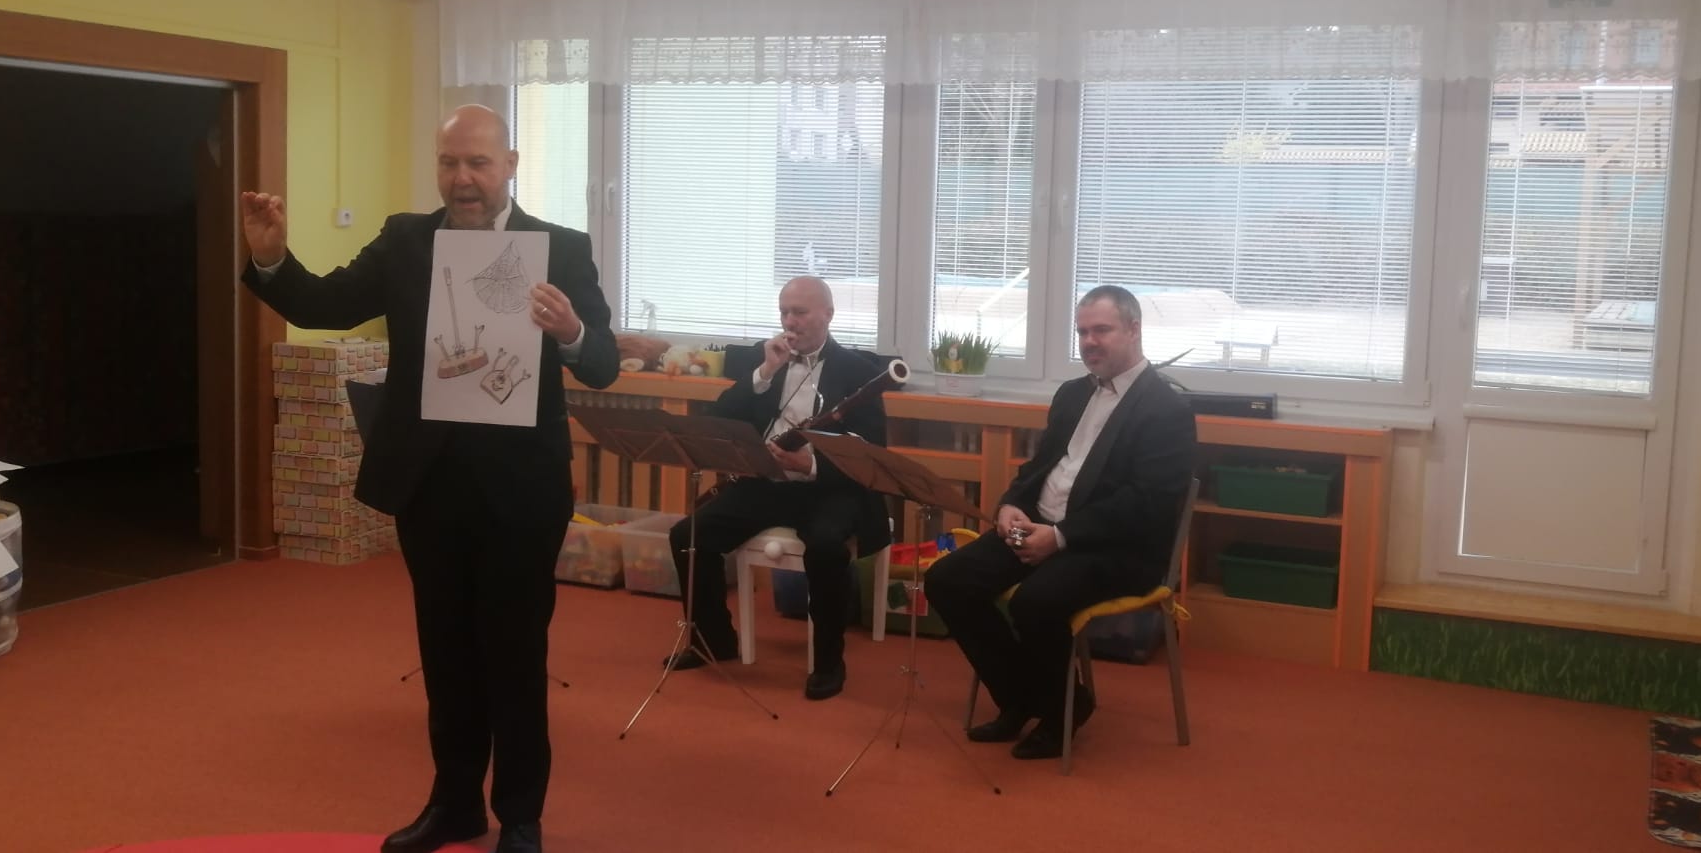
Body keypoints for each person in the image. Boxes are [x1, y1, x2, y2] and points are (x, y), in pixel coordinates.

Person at [239, 105, 617, 853]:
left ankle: (520, 815)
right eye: (449, 163)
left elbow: (601, 362)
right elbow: (327, 305)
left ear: (510, 165)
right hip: (431, 484)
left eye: (478, 162)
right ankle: (455, 804)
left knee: (514, 653)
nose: (462, 178)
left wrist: (572, 331)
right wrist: (273, 257)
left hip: (522, 491)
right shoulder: (406, 239)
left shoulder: (561, 249)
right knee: (445, 652)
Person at [923, 285, 1195, 760]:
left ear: (1134, 330)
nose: (1090, 342)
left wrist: (1061, 537)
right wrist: (1010, 504)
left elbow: (1145, 504)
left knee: (1035, 602)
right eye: (1082, 332)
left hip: (1116, 548)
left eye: (1101, 330)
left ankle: (1056, 713)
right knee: (947, 580)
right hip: (1039, 526)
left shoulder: (1166, 410)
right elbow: (1039, 468)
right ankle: (1026, 697)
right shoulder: (1072, 394)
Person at [663, 276, 889, 701]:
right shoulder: (766, 358)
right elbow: (720, 417)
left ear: (828, 314)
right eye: (784, 312)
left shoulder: (860, 371)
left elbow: (873, 451)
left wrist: (811, 464)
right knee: (687, 535)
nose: (789, 321)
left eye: (799, 312)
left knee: (826, 545)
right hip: (768, 482)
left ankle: (828, 661)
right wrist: (765, 372)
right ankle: (713, 640)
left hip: (829, 488)